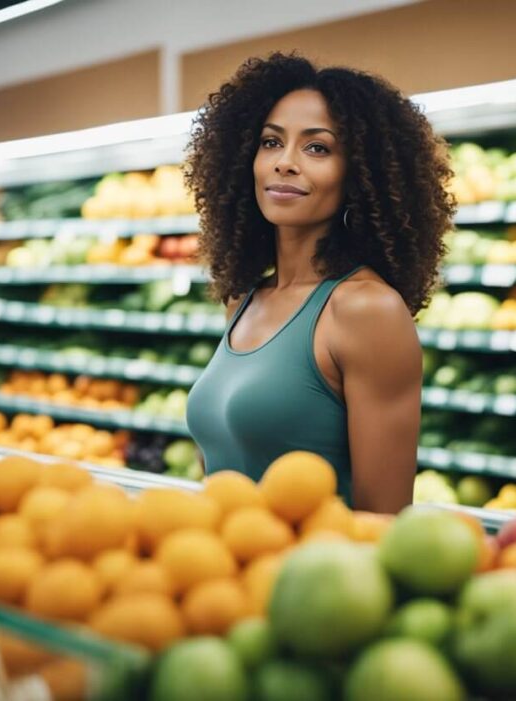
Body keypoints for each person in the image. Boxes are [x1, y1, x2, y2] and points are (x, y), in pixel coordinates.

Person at [185, 53, 455, 513]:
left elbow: (381, 520)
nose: (285, 162)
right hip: (225, 574)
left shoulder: (366, 310)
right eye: (271, 142)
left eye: (317, 148)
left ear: (358, 177)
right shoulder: (243, 302)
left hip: (316, 581)